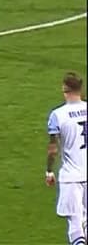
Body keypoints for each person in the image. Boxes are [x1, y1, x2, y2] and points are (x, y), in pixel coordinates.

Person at [47, 72, 87, 245]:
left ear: (65, 89)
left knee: (75, 225)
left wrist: (49, 171)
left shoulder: (58, 115)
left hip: (71, 177)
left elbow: (53, 149)